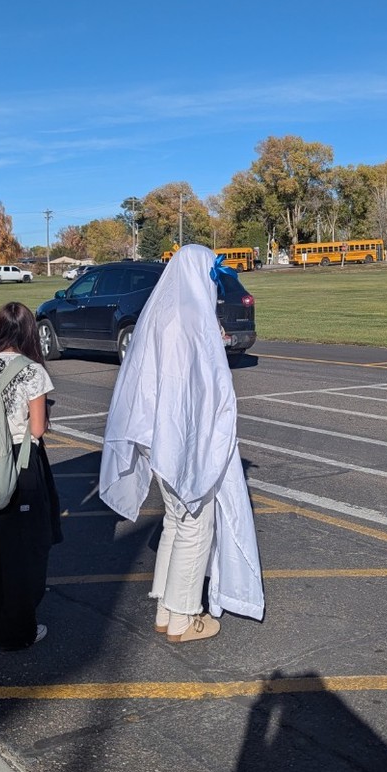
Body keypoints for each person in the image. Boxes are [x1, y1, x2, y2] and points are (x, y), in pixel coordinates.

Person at [98, 245, 264, 642]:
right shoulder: (190, 318)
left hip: (154, 431)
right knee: (194, 521)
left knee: (175, 518)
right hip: (181, 433)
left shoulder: (160, 313)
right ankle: (185, 617)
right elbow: (198, 385)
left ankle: (166, 607)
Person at [0, 302, 61, 650]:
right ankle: (19, 629)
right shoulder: (32, 371)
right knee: (23, 550)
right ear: (29, 332)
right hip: (20, 465)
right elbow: (37, 428)